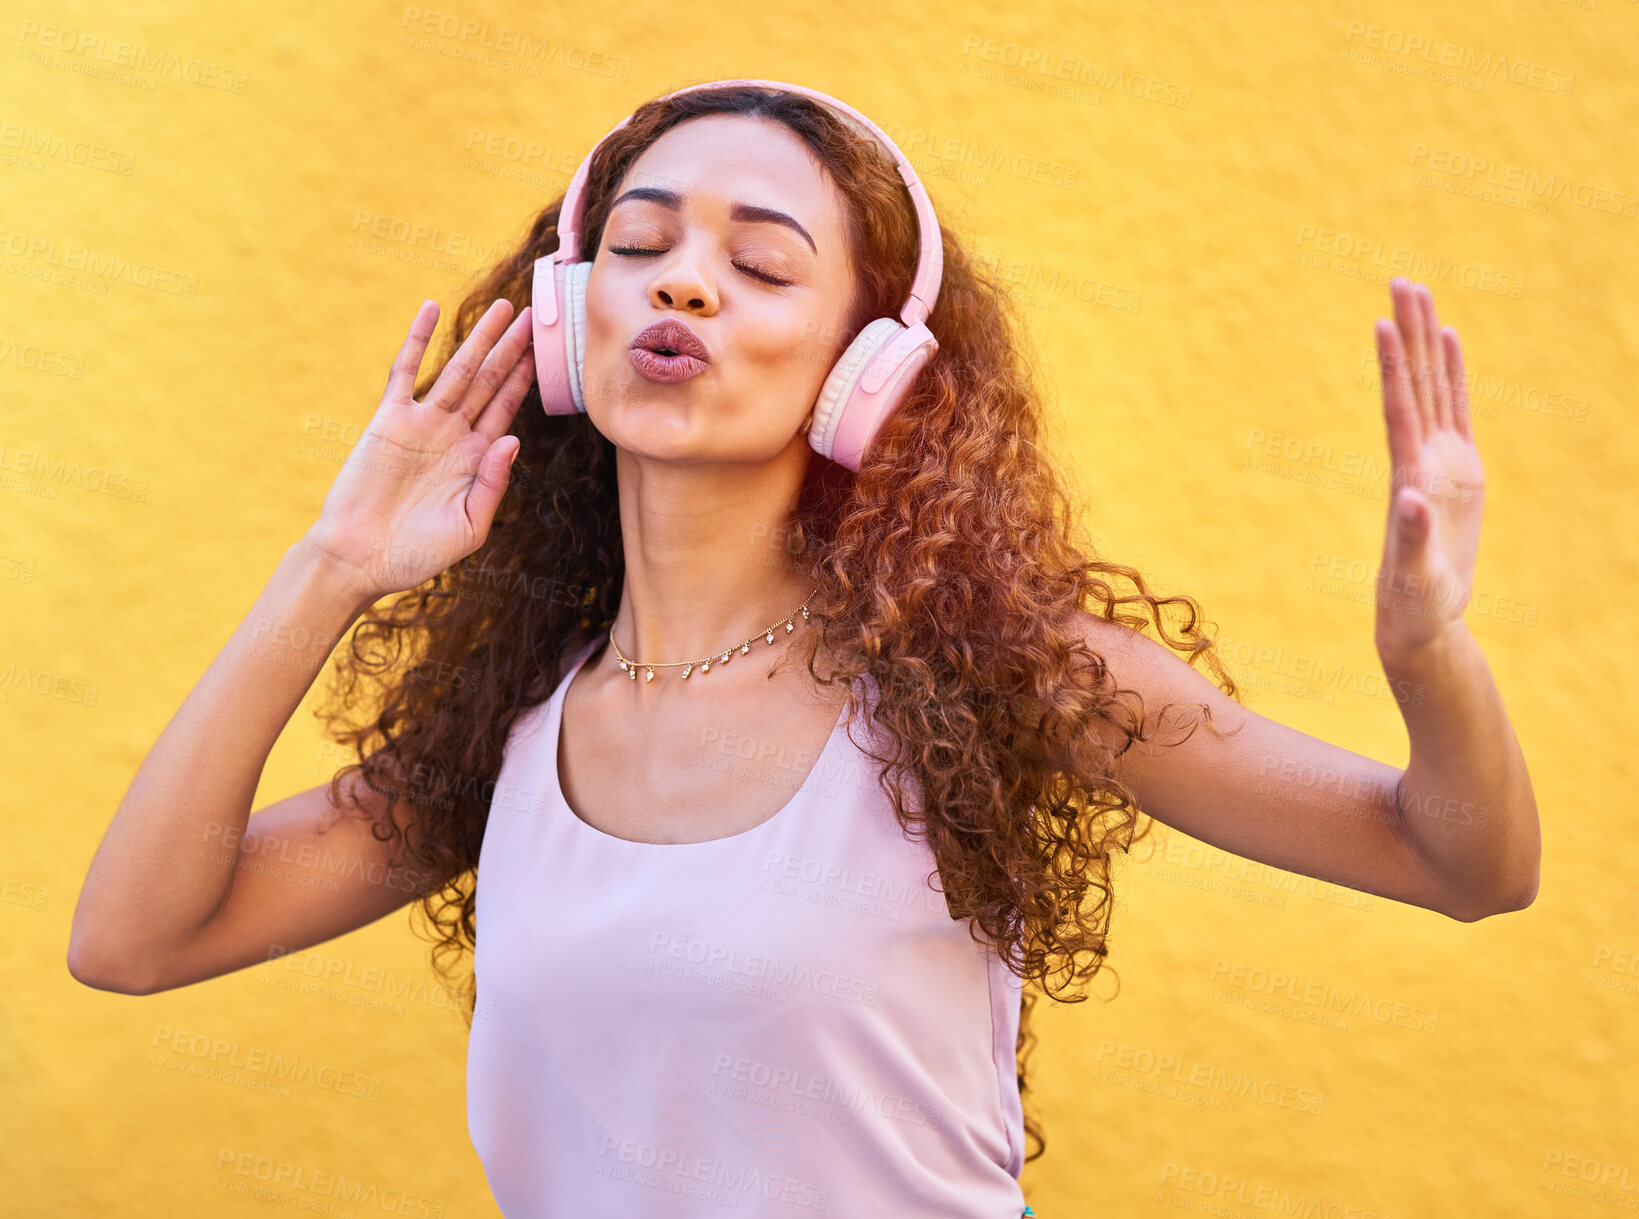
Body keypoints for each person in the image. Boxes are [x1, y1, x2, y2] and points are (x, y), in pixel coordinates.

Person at [68, 80, 1540, 1218]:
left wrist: (1431, 654)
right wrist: (328, 571)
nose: (686, 283)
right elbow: (134, 943)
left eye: (761, 267)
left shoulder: (986, 665)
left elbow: (1464, 863)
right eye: (641, 245)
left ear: (866, 371)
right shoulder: (512, 730)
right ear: (573, 323)